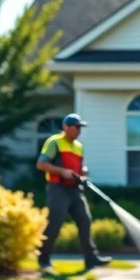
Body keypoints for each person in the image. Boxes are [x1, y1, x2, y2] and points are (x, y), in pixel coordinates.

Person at [36, 113, 112, 271]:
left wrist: (83, 172)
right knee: (55, 223)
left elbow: (79, 168)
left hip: (75, 190)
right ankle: (43, 259)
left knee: (85, 220)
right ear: (66, 127)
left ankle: (91, 259)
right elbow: (41, 164)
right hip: (58, 189)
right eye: (76, 127)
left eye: (80, 127)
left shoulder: (78, 146)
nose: (79, 130)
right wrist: (62, 171)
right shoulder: (54, 142)